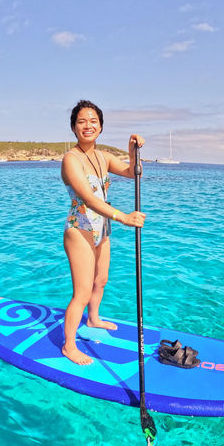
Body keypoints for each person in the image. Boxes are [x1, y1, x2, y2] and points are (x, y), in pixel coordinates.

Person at [61, 100, 146, 365]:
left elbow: (133, 173)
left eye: (93, 121)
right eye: (82, 121)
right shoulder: (70, 159)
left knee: (101, 280)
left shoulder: (102, 157)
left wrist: (132, 152)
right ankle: (69, 345)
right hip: (80, 228)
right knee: (82, 291)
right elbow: (87, 198)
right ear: (74, 128)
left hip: (102, 227)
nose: (88, 126)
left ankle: (93, 318)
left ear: (101, 127)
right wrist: (123, 217)